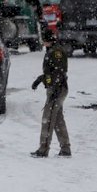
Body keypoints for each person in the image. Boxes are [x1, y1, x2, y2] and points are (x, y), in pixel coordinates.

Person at [30, 28, 71, 158]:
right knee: (58, 120)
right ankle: (65, 148)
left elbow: (58, 72)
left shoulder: (56, 52)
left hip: (57, 89)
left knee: (47, 120)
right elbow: (50, 72)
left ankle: (43, 149)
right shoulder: (52, 51)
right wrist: (41, 79)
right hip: (55, 88)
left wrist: (55, 88)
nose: (43, 43)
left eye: (44, 40)